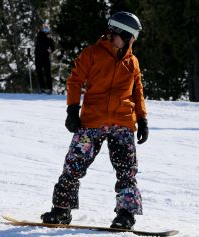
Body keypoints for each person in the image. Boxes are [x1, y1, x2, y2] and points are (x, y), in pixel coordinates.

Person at [41, 11, 149, 230]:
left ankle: (126, 214)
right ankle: (62, 210)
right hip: (92, 121)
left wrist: (143, 119)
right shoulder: (92, 54)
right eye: (132, 36)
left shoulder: (132, 62)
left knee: (126, 170)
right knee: (73, 165)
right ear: (120, 32)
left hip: (123, 122)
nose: (133, 42)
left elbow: (137, 92)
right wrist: (72, 110)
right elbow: (75, 81)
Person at [34, 24, 55, 94]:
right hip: (38, 57)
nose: (46, 30)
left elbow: (52, 47)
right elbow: (38, 44)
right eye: (45, 29)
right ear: (42, 29)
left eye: (47, 29)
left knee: (47, 73)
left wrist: (50, 50)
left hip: (45, 57)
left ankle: (49, 88)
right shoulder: (39, 36)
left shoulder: (49, 38)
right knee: (39, 72)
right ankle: (42, 88)